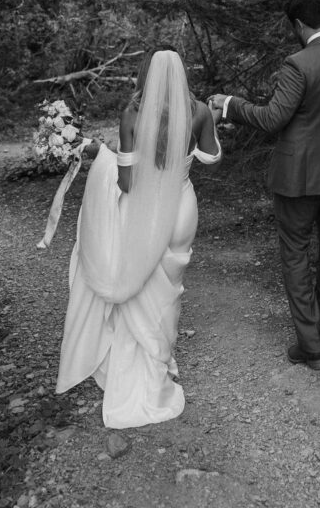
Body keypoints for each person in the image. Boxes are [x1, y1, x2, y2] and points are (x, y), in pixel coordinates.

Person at [209, 0, 320, 371]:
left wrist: (228, 105)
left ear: (299, 26)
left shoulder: (298, 64)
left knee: (295, 252)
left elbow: (273, 118)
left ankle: (311, 345)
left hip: (299, 178)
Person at [55, 47, 222, 427]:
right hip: (181, 209)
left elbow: (127, 183)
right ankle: (160, 362)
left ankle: (141, 368)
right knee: (169, 290)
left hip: (145, 213)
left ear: (144, 75)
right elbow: (212, 157)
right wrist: (203, 129)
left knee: (142, 291)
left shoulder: (132, 112)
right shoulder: (196, 110)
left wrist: (106, 155)